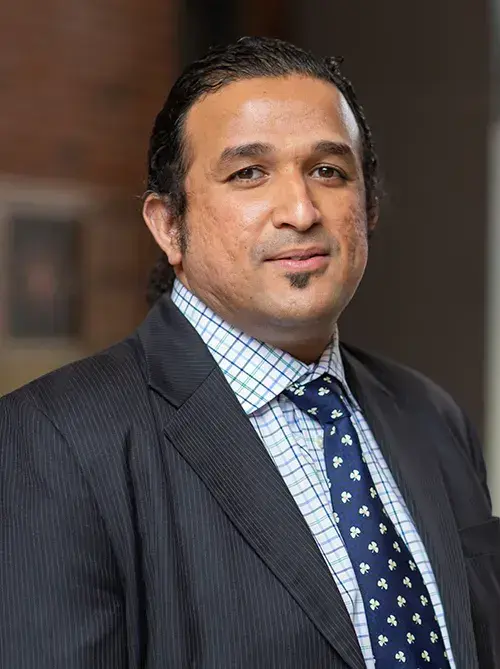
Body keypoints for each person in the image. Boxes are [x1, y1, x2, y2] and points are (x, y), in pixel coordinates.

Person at [1, 36, 498, 669]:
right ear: (169, 225)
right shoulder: (50, 440)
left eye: (328, 171)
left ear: (368, 207)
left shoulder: (432, 415)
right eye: (248, 173)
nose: (301, 210)